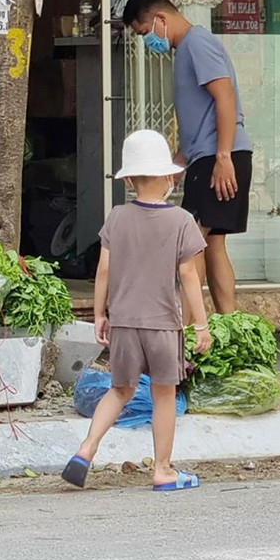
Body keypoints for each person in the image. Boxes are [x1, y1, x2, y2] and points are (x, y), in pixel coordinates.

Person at [61, 129, 212, 491]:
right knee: (163, 393)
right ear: (169, 177)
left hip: (124, 323)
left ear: (128, 179)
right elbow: (189, 274)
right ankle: (162, 470)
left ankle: (85, 449)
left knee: (119, 390)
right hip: (163, 324)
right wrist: (202, 323)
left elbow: (104, 270)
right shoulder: (181, 221)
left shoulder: (116, 217)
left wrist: (100, 314)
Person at [123, 0, 253, 316]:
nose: (147, 42)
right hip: (210, 156)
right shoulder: (187, 49)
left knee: (191, 243)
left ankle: (183, 330)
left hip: (218, 159)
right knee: (213, 245)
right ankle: (230, 324)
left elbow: (224, 97)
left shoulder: (196, 43)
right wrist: (178, 161)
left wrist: (222, 157)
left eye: (144, 33)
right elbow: (201, 118)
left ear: (161, 19)